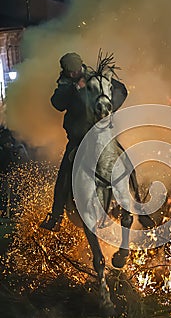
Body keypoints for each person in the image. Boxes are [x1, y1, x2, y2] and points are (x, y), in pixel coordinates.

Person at [40, 52, 128, 231]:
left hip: (102, 135)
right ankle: (56, 217)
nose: (73, 74)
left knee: (125, 162)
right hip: (79, 139)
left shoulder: (96, 78)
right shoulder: (65, 85)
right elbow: (57, 103)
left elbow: (121, 90)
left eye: (76, 70)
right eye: (70, 72)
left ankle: (137, 205)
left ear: (81, 66)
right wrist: (74, 89)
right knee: (65, 173)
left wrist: (109, 107)